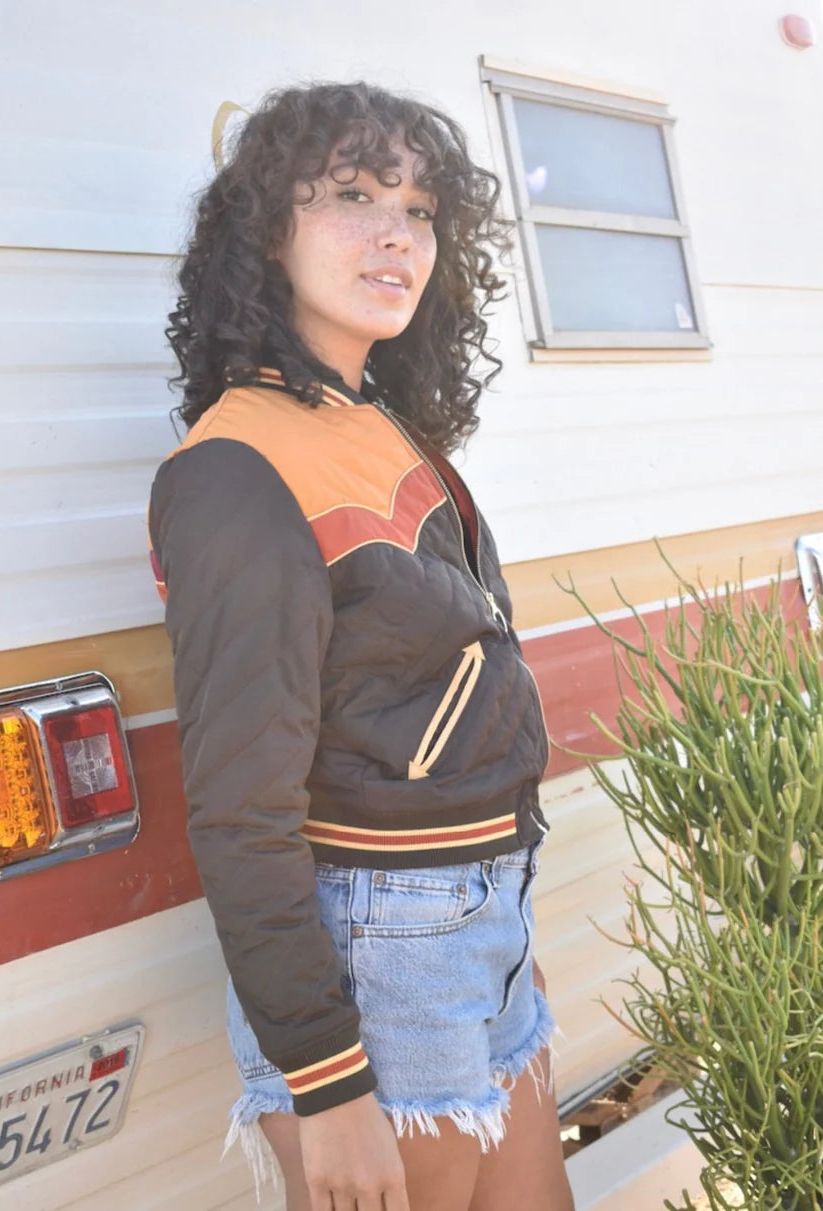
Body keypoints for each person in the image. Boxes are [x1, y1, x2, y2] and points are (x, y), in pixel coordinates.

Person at [149, 80, 575, 1211]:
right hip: (380, 954)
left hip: (475, 918)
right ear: (267, 230)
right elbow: (240, 810)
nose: (397, 234)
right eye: (351, 196)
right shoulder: (238, 465)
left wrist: (503, 926)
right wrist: (328, 1083)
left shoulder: (372, 418)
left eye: (419, 209)